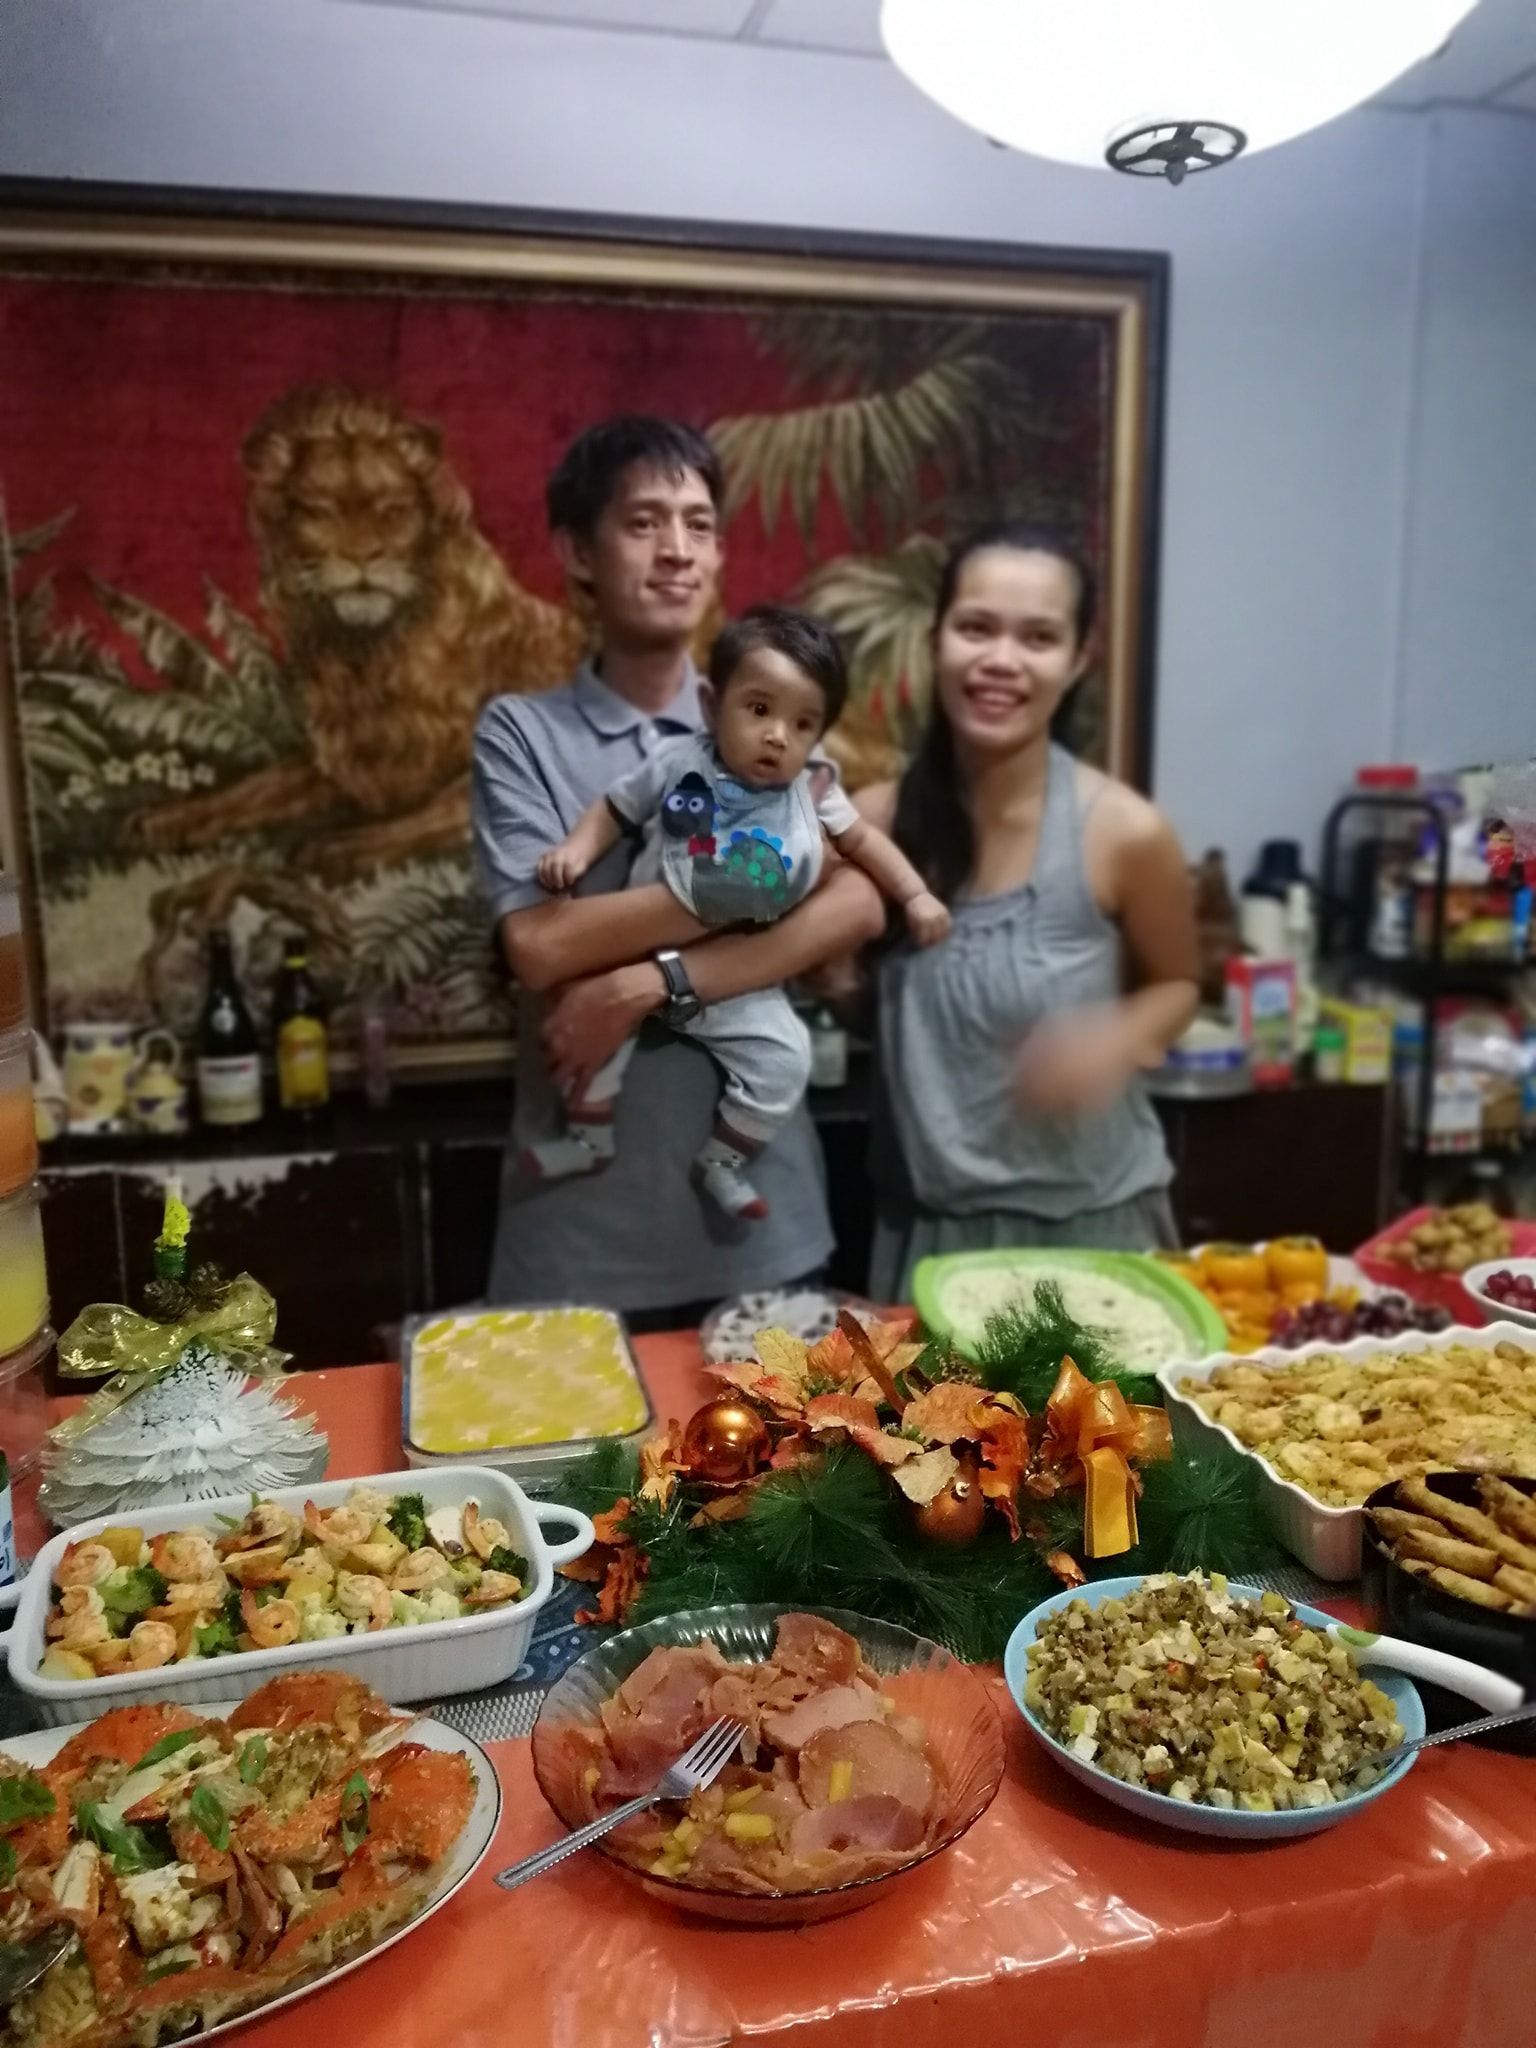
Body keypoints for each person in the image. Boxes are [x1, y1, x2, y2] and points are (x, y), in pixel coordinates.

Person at [471, 417, 885, 1325]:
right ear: (577, 550)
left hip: (765, 1231)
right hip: (578, 1241)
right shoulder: (523, 734)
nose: (676, 551)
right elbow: (540, 949)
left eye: (698, 525)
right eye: (644, 522)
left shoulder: (778, 723)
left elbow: (853, 907)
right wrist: (760, 900)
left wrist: (639, 983)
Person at [852, 521, 1200, 1303]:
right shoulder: (872, 828)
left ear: (1077, 660)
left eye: (1038, 637)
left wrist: (1113, 1037)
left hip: (1094, 1235)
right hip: (927, 1242)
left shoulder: (1124, 832)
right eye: (976, 628)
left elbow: (1178, 985)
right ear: (935, 638)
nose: (1001, 661)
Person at [530, 604, 948, 1220]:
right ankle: (589, 1139)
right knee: (583, 1034)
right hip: (633, 955)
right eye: (759, 710)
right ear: (710, 704)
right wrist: (576, 848)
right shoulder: (679, 764)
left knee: (786, 1056)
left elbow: (867, 844)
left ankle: (723, 1160)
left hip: (731, 975)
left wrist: (913, 893)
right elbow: (614, 810)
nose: (778, 735)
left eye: (803, 723)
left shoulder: (814, 795)